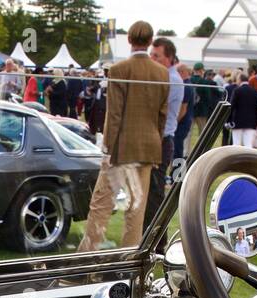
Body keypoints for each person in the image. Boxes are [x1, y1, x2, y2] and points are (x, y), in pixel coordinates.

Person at [76, 21, 167, 252]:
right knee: (136, 209)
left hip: (120, 148)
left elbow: (114, 114)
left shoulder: (118, 70)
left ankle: (86, 257)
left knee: (101, 205)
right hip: (148, 147)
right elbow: (162, 115)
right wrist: (156, 144)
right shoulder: (161, 73)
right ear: (150, 40)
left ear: (129, 39)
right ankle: (127, 263)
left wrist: (107, 148)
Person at [144, 37, 182, 226]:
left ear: (169, 58)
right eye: (151, 54)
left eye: (156, 56)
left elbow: (154, 111)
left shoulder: (172, 80)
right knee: (149, 191)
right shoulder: (163, 77)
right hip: (156, 139)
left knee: (155, 193)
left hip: (161, 140)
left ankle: (157, 242)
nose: (151, 58)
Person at [229, 72, 257, 149]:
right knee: (248, 145)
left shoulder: (237, 91)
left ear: (239, 80)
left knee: (236, 144)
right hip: (251, 122)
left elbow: (232, 106)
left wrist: (229, 120)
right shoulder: (254, 91)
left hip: (237, 121)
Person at [174, 63, 194, 160]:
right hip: (186, 120)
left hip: (182, 122)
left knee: (177, 150)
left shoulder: (185, 86)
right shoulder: (187, 84)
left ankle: (178, 173)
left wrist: (175, 122)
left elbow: (183, 109)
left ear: (181, 72)